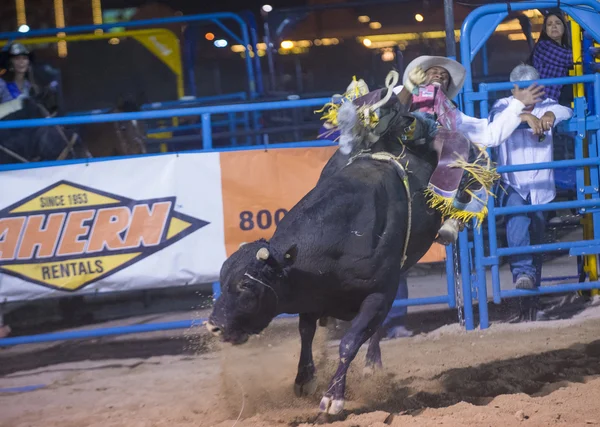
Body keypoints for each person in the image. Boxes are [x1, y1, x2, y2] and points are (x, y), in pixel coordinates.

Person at [319, 56, 545, 245]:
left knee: (477, 163)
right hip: (393, 135)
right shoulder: (399, 90)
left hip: (426, 143)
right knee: (378, 104)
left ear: (447, 87)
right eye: (434, 72)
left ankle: (454, 219)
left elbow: (490, 134)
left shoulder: (453, 115)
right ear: (421, 75)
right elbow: (392, 103)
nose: (439, 75)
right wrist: (409, 88)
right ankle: (353, 125)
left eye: (444, 75)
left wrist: (517, 105)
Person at [490, 64, 573, 290]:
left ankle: (530, 293)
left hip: (540, 185)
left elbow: (568, 111)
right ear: (514, 90)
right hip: (512, 182)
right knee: (517, 223)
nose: (528, 94)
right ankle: (523, 274)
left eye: (532, 89)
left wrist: (550, 114)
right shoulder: (504, 106)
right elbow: (496, 119)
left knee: (536, 236)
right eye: (522, 89)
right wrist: (524, 116)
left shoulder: (548, 106)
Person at [530, 11, 573, 106]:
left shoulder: (566, 48)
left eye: (558, 23)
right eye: (549, 24)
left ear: (564, 28)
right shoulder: (543, 46)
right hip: (544, 102)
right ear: (545, 30)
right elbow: (568, 58)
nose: (554, 26)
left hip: (557, 100)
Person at [0, 43, 35, 120]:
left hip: (26, 128)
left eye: (25, 58)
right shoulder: (2, 83)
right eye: (17, 59)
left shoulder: (30, 86)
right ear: (10, 62)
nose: (21, 62)